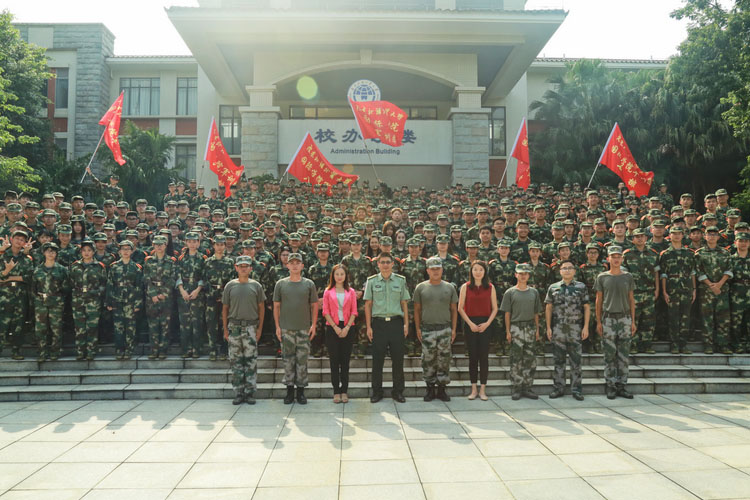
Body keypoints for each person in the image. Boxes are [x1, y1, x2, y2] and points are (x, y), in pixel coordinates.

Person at [364, 252, 410, 403]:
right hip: (379, 324)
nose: (384, 265)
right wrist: (369, 327)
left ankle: (398, 392)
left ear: (392, 264)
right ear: (378, 264)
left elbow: (404, 303)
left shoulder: (400, 281)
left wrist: (406, 324)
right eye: (382, 262)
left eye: (387, 262)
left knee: (398, 360)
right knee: (377, 361)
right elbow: (368, 305)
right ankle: (377, 392)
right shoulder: (371, 281)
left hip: (396, 323)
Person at [273, 252, 318, 405]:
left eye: (297, 262)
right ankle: (289, 391)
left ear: (302, 266)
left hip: (304, 328)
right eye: (291, 262)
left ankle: (301, 392)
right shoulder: (281, 284)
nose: (294, 265)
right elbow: (276, 306)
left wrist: (313, 324)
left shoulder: (309, 284)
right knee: (288, 360)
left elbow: (314, 305)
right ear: (287, 265)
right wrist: (278, 327)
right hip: (287, 328)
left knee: (302, 361)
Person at [414, 256, 458, 402]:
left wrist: (453, 329)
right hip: (427, 329)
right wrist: (418, 329)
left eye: (438, 268)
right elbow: (417, 310)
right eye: (432, 269)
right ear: (427, 270)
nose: (435, 271)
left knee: (444, 359)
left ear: (442, 269)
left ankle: (442, 389)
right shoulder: (420, 288)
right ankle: (430, 389)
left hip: (444, 328)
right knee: (428, 359)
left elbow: (454, 310)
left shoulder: (449, 287)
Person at [223, 255, 266, 405]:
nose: (243, 268)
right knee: (236, 361)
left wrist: (260, 328)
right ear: (236, 267)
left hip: (251, 327)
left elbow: (261, 308)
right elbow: (225, 308)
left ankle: (250, 392)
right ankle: (239, 392)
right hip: (234, 326)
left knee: (250, 361)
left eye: (246, 266)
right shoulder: (230, 286)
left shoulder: (256, 286)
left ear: (250, 268)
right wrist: (225, 330)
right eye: (240, 265)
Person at [595, 246, 637, 399]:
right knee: (609, 354)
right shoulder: (602, 277)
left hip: (625, 318)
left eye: (618, 256)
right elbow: (598, 301)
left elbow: (631, 299)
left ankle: (622, 385)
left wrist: (632, 321)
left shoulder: (628, 277)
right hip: (608, 318)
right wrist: (598, 321)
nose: (616, 259)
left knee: (624, 354)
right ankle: (611, 385)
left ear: (622, 259)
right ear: (608, 259)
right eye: (613, 256)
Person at [545, 259, 590, 400]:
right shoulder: (553, 287)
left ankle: (576, 389)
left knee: (576, 360)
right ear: (560, 271)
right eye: (564, 268)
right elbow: (548, 307)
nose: (567, 270)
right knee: (558, 360)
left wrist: (586, 327)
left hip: (575, 328)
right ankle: (558, 388)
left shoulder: (581, 287)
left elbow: (587, 307)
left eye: (570, 268)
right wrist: (548, 327)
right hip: (558, 328)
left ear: (574, 271)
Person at [500, 263, 542, 400]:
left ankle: (527, 387)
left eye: (526, 273)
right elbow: (507, 313)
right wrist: (507, 331)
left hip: (530, 327)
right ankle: (517, 388)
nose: (523, 276)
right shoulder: (510, 292)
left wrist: (537, 330)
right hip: (516, 327)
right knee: (516, 359)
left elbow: (536, 313)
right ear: (516, 275)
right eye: (520, 273)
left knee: (530, 359)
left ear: (529, 275)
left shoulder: (534, 292)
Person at [458, 260, 498, 401]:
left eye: (481, 269)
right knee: (473, 357)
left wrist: (487, 323)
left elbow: (495, 308)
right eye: (475, 269)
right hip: (470, 324)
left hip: (485, 324)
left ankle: (483, 390)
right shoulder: (466, 287)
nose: (478, 272)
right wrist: (470, 324)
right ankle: (473, 389)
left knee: (484, 357)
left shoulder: (490, 287)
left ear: (485, 272)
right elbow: (460, 308)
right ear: (471, 271)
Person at [322, 264, 357, 403]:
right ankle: (336, 391)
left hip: (348, 327)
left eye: (342, 274)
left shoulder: (351, 292)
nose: (339, 276)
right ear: (333, 276)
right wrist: (336, 328)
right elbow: (325, 311)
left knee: (345, 361)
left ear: (346, 276)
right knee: (334, 361)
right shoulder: (328, 291)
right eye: (337, 274)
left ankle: (344, 391)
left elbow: (354, 311)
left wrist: (347, 327)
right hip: (332, 328)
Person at [31, 242, 70, 361]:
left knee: (56, 328)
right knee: (40, 329)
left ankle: (55, 352)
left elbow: (66, 287)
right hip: (40, 302)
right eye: (48, 251)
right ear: (43, 253)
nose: (50, 253)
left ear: (57, 253)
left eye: (53, 251)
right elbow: (33, 288)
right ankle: (42, 353)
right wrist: (37, 299)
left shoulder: (62, 270)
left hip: (56, 302)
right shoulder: (37, 269)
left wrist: (59, 298)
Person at [69, 239, 107, 360]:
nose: (86, 253)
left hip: (93, 301)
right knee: (79, 327)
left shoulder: (99, 266)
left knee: (92, 327)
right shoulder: (75, 266)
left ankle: (91, 351)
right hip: (78, 300)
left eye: (89, 250)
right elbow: (70, 283)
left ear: (93, 252)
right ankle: (81, 351)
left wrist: (95, 292)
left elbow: (104, 284)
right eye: (84, 250)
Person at [106, 240, 143, 360]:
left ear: (132, 251)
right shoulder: (114, 266)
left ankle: (129, 350)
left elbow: (139, 287)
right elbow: (110, 285)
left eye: (128, 249)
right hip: (117, 301)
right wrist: (109, 302)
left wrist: (138, 304)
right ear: (119, 251)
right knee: (118, 327)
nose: (125, 251)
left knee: (130, 327)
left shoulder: (136, 268)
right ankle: (119, 349)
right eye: (123, 249)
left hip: (131, 302)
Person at [0, 231, 34, 360]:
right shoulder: (2, 256)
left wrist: (9, 276)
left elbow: (29, 277)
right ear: (12, 239)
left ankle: (16, 351)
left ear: (24, 243)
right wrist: (6, 271)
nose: (19, 241)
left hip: (20, 295)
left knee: (18, 325)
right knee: (2, 323)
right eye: (17, 238)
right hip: (4, 295)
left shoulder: (26, 259)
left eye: (22, 240)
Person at [142, 235, 177, 360]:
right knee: (153, 325)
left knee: (165, 325)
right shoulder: (148, 261)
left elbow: (173, 279)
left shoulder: (171, 261)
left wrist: (164, 294)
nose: (159, 247)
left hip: (166, 297)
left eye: (161, 244)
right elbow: (146, 279)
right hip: (152, 298)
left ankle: (163, 350)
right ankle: (154, 350)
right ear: (153, 246)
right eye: (156, 244)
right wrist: (153, 295)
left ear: (165, 245)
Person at [176, 232, 206, 358]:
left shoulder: (203, 258)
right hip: (184, 292)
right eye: (190, 241)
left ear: (199, 243)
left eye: (195, 241)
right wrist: (182, 290)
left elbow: (205, 276)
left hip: (197, 292)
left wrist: (197, 290)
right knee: (184, 323)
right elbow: (177, 274)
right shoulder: (181, 258)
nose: (192, 244)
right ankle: (186, 349)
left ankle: (196, 349)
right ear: (186, 243)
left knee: (197, 322)